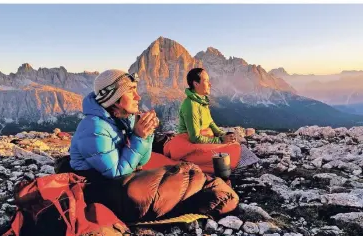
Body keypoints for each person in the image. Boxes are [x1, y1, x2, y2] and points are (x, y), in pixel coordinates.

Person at [66, 69, 238, 222]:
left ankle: (206, 189)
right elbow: (115, 172)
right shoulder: (94, 127)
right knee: (161, 187)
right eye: (131, 91)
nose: (138, 97)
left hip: (121, 182)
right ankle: (207, 194)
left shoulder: (120, 121)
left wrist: (147, 135)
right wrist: (139, 137)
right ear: (116, 99)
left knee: (179, 176)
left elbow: (142, 160)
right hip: (104, 192)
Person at [163, 68, 259, 174]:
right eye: (206, 81)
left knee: (234, 145)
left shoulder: (202, 101)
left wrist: (223, 135)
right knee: (231, 151)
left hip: (201, 141)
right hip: (189, 146)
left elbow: (211, 123)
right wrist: (221, 140)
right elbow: (194, 138)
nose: (210, 84)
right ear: (196, 84)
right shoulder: (191, 105)